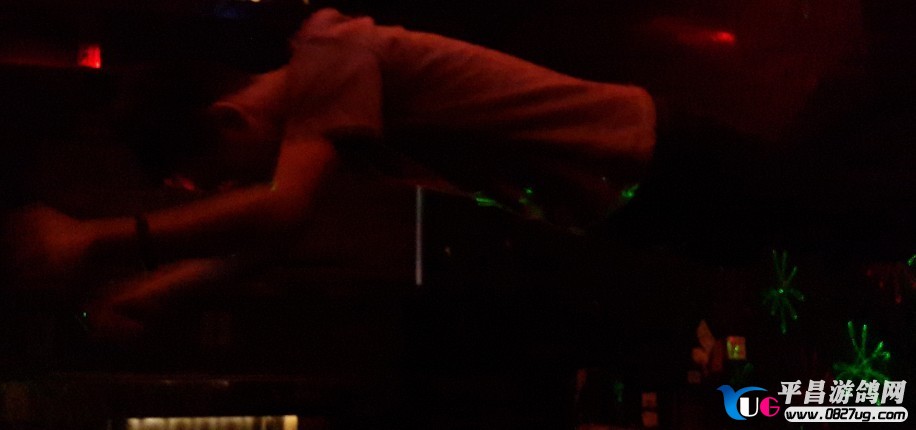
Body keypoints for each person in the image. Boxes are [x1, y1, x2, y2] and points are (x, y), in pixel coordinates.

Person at [4, 7, 657, 288]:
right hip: (627, 189)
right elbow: (277, 234)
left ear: (228, 119)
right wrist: (162, 288)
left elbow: (281, 211)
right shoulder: (341, 113)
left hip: (653, 155)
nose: (234, 190)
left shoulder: (329, 54)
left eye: (218, 177)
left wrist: (92, 239)